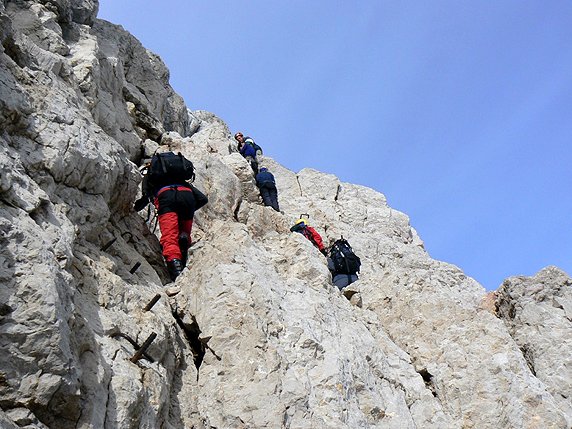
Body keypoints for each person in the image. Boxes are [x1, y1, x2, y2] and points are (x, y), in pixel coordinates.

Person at [134, 152, 208, 281]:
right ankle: (184, 240)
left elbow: (145, 197)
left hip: (167, 199)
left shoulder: (151, 177)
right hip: (187, 198)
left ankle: (177, 272)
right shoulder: (182, 181)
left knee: (170, 237)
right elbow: (202, 199)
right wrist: (189, 210)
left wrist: (133, 210)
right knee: (183, 233)